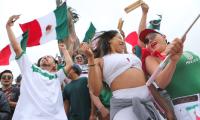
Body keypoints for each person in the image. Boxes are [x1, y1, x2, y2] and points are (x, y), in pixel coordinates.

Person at [80, 30, 183, 120]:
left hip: (148, 104)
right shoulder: (98, 61)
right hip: (124, 109)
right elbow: (96, 90)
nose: (122, 41)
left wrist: (166, 109)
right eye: (119, 38)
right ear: (109, 40)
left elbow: (149, 85)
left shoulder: (132, 56)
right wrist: (90, 58)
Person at [6, 15, 72, 120]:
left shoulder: (57, 76)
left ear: (55, 66)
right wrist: (8, 27)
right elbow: (17, 48)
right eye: (43, 57)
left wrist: (64, 50)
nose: (45, 57)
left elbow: (70, 65)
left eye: (49, 57)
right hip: (28, 117)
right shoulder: (29, 68)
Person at [139, 16, 200, 120]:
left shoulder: (187, 52)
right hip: (191, 108)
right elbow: (161, 83)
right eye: (146, 41)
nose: (149, 40)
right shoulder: (151, 59)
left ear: (164, 36)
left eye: (153, 36)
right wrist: (173, 61)